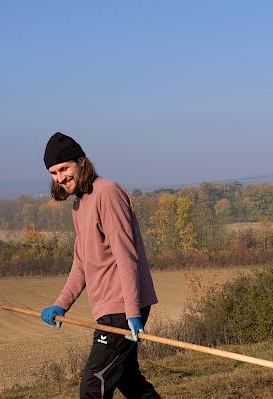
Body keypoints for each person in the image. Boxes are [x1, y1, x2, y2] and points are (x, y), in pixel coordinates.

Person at [39, 132, 160, 399]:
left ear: (81, 162)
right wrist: (61, 304)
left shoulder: (107, 192)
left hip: (122, 306)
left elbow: (126, 256)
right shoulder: (80, 205)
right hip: (110, 306)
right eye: (53, 173)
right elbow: (81, 263)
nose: (59, 178)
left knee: (93, 387)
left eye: (64, 168)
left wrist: (132, 312)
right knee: (127, 378)